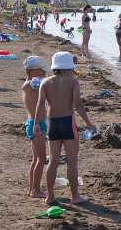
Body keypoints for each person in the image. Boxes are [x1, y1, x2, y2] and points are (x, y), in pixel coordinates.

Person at [34, 51, 95, 204]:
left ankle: (49, 196)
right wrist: (88, 122)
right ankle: (75, 196)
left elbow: (40, 104)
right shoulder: (73, 81)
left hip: (52, 123)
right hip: (68, 122)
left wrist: (36, 124)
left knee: (53, 161)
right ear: (69, 66)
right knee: (72, 161)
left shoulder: (45, 82)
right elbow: (78, 104)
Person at [22, 56, 48, 198]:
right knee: (41, 159)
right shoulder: (31, 83)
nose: (43, 73)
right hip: (35, 124)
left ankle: (32, 188)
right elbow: (45, 83)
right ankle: (36, 190)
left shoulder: (30, 83)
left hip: (36, 123)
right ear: (33, 71)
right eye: (41, 71)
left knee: (36, 159)